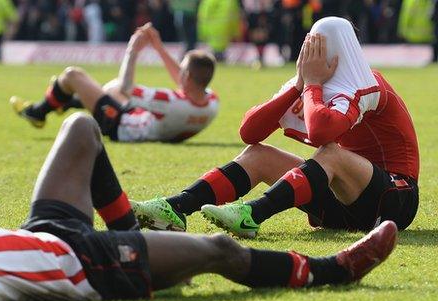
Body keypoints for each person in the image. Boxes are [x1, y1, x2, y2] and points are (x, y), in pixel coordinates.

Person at [0, 113, 397, 301]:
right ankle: (333, 271)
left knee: (80, 129)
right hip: (89, 267)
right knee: (218, 253)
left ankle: (133, 231)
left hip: (49, 232)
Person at [132, 17, 419, 238]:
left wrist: (313, 85)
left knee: (329, 152)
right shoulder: (311, 83)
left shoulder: (369, 84)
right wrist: (297, 86)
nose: (313, 56)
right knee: (259, 154)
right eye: (311, 48)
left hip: (395, 199)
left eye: (319, 49)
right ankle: (176, 207)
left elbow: (321, 133)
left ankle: (252, 214)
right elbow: (249, 132)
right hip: (346, 205)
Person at [10, 23, 219, 143]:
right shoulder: (211, 103)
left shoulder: (169, 101)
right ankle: (65, 102)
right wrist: (158, 46)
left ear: (187, 77)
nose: (179, 73)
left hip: (119, 124)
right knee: (109, 88)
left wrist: (133, 49)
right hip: (145, 122)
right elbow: (187, 82)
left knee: (72, 75)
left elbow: (126, 88)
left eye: (182, 70)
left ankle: (38, 112)